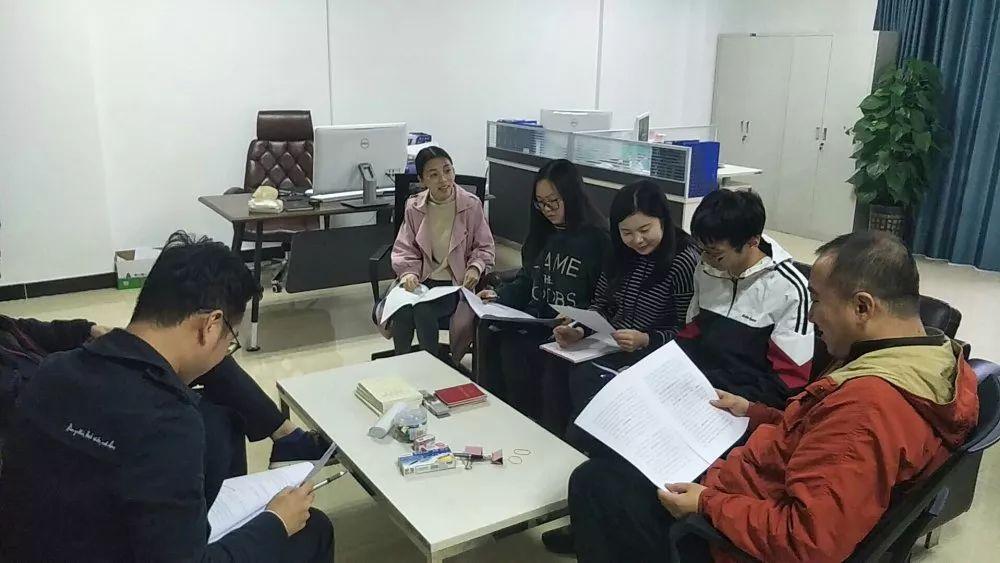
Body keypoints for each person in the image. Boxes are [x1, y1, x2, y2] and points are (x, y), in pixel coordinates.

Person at [565, 231, 979, 562]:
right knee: (626, 459)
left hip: (730, 537)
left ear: (862, 307)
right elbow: (820, 435)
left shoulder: (868, 407)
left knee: (595, 482)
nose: (811, 316)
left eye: (818, 301)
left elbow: (808, 542)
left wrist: (707, 504)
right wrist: (753, 411)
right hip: (751, 485)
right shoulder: (929, 355)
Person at [0, 232, 334, 562]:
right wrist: (276, 522)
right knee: (313, 529)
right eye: (229, 341)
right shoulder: (169, 423)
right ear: (211, 326)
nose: (224, 352)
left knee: (220, 422)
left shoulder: (52, 371)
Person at [0, 315, 330, 469]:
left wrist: (89, 330)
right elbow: (29, 402)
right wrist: (94, 366)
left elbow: (33, 330)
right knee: (215, 418)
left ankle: (287, 438)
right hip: (72, 413)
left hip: (82, 377)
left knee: (202, 350)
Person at [553, 180, 700, 441]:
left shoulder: (683, 260)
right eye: (627, 232)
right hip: (612, 345)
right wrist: (579, 329)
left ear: (663, 220)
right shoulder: (618, 252)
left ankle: (583, 448)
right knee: (555, 369)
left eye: (645, 229)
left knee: (589, 384)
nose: (637, 240)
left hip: (654, 354)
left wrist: (646, 339)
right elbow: (601, 304)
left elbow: (687, 330)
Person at [477, 159, 609, 424]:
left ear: (571, 196)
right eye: (541, 203)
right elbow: (527, 280)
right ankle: (497, 416)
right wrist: (499, 297)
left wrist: (579, 322)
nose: (547, 210)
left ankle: (527, 424)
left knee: (517, 351)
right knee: (491, 329)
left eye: (553, 202)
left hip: (572, 328)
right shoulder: (541, 235)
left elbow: (604, 297)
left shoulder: (597, 240)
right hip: (537, 319)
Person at [678, 188, 814, 408]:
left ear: (752, 242)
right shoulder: (706, 268)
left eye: (715, 254)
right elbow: (691, 333)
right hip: (698, 389)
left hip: (745, 404)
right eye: (702, 249)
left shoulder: (790, 289)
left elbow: (789, 381)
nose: (705, 259)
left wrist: (743, 405)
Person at [389, 146, 495, 362]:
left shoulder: (470, 205)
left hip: (455, 284)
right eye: (434, 174)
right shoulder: (414, 207)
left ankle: (432, 368)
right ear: (422, 180)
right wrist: (408, 273)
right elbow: (404, 247)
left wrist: (476, 267)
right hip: (422, 282)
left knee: (423, 311)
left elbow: (484, 246)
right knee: (401, 311)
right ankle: (401, 365)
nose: (444, 179)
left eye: (447, 170)